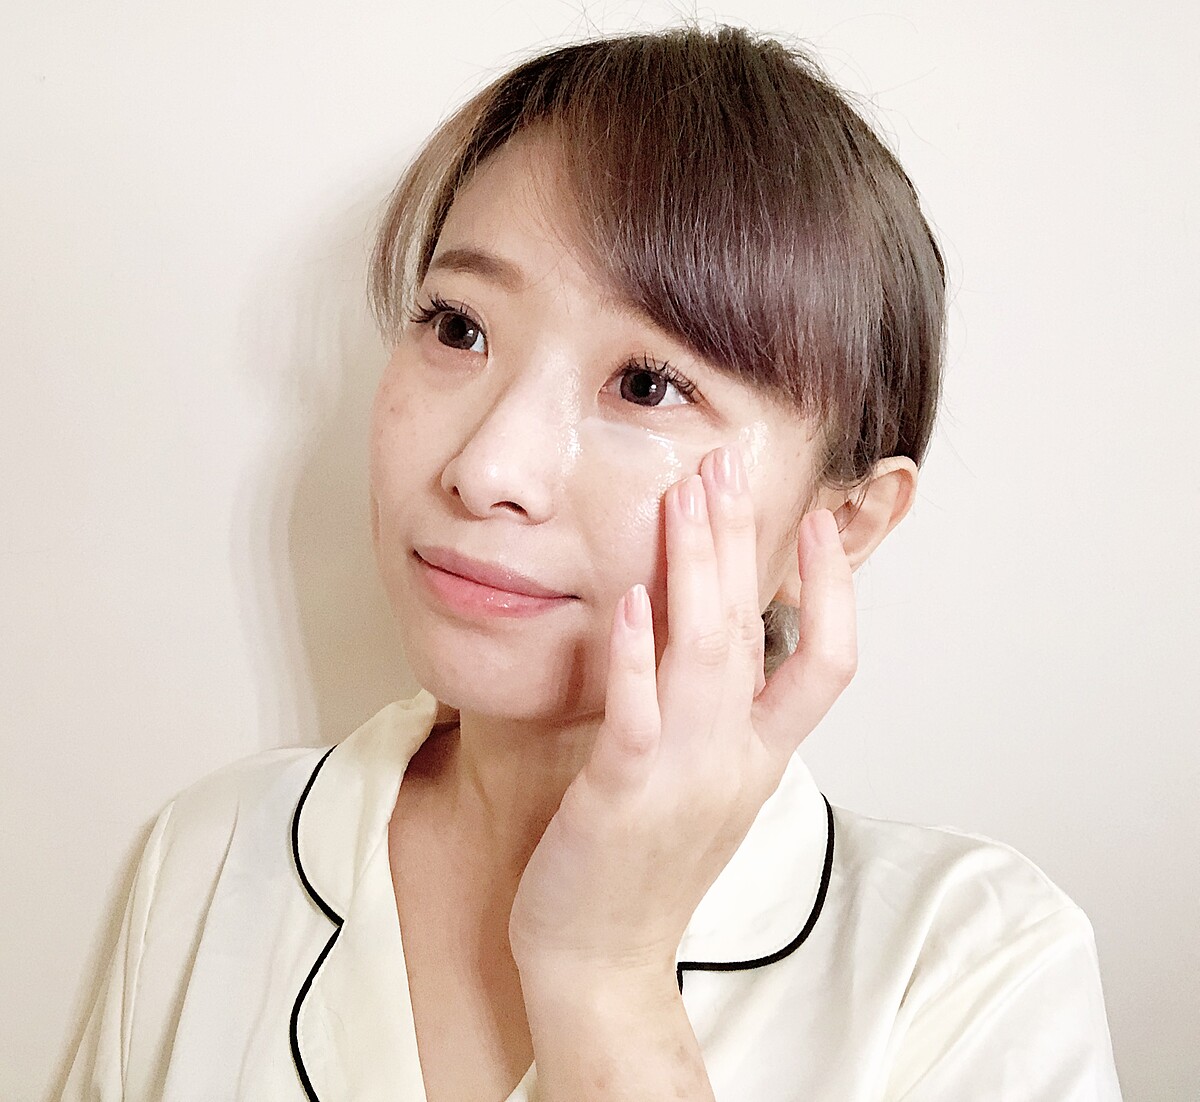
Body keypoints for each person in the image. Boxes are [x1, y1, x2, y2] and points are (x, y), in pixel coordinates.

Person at [64, 24, 1123, 1101]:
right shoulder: (211, 858)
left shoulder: (970, 972)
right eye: (459, 327)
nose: (488, 469)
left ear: (838, 525)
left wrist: (605, 981)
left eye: (647, 385)